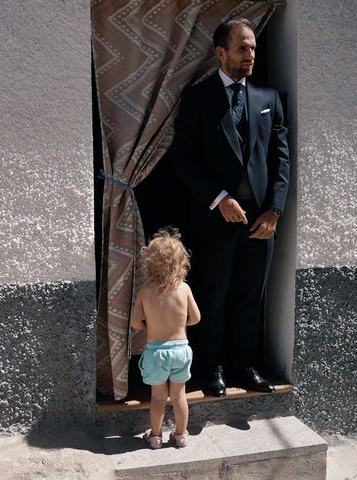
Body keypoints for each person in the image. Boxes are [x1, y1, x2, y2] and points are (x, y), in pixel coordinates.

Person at [170, 17, 290, 397]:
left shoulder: (268, 97)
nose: (250, 54)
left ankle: (245, 365)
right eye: (242, 48)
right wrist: (219, 198)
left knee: (250, 294)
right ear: (221, 53)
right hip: (214, 216)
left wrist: (274, 209)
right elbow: (184, 158)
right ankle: (213, 367)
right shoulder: (198, 97)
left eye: (253, 47)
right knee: (214, 292)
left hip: (260, 219)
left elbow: (281, 158)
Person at [130, 229, 201, 449]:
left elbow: (134, 323)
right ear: (182, 264)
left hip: (155, 351)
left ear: (149, 264)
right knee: (179, 395)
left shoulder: (145, 292)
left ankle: (156, 437)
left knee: (158, 397)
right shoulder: (185, 289)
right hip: (180, 350)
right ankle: (180, 436)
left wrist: (149, 326)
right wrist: (179, 325)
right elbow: (196, 318)